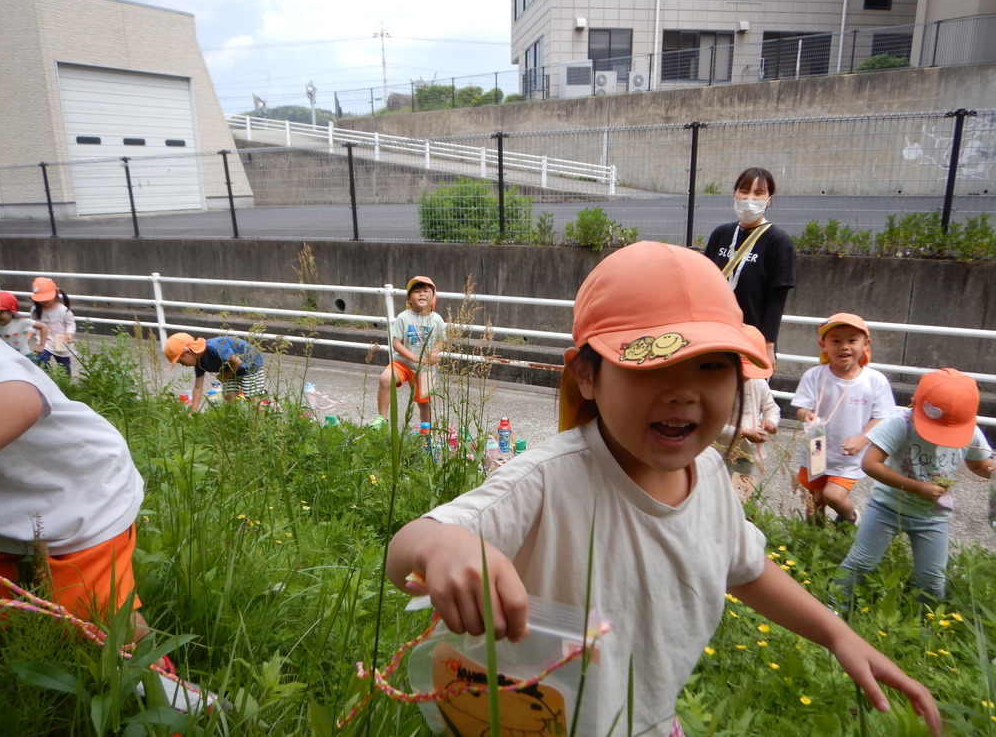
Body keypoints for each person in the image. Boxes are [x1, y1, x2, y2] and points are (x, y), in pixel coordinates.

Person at [385, 243, 941, 737]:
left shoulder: (713, 482)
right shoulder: (549, 480)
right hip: (546, 720)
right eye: (650, 365)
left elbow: (744, 567)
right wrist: (447, 547)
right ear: (586, 375)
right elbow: (406, 546)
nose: (684, 393)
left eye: (713, 366)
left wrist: (837, 634)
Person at [0, 336, 209, 712]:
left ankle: (174, 696)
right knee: (10, 617)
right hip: (9, 511)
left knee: (104, 619)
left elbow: (20, 398)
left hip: (77, 500)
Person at [835, 368, 994, 603]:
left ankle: (927, 627)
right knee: (861, 561)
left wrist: (992, 468)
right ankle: (833, 604)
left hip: (933, 516)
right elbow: (870, 464)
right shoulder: (900, 423)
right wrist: (916, 487)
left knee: (932, 578)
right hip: (887, 507)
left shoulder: (969, 430)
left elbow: (979, 464)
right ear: (914, 403)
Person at [791, 313, 895, 524]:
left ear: (865, 344)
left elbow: (882, 417)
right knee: (814, 501)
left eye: (852, 340)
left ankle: (850, 518)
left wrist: (862, 439)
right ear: (823, 345)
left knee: (833, 496)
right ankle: (813, 541)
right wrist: (806, 414)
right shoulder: (814, 375)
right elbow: (801, 407)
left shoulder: (874, 380)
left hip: (850, 456)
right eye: (836, 340)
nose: (844, 346)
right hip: (817, 449)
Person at [704, 167, 796, 368]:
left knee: (750, 397)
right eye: (744, 191)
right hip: (717, 335)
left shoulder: (778, 241)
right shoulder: (721, 234)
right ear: (735, 194)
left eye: (758, 193)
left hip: (752, 340)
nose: (749, 199)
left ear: (769, 199)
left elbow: (776, 299)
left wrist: (768, 345)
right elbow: (706, 284)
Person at [714, 324, 780, 499]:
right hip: (720, 453)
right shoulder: (717, 388)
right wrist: (742, 432)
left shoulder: (758, 383)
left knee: (742, 500)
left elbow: (771, 407)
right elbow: (711, 425)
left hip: (750, 456)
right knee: (720, 497)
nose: (745, 375)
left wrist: (771, 421)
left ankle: (745, 522)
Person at [371, 276, 446, 430]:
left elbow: (441, 341)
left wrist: (435, 351)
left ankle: (426, 432)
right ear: (409, 298)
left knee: (424, 403)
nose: (422, 294)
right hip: (403, 363)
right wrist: (412, 356)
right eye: (417, 291)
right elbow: (396, 343)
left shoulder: (437, 319)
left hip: (426, 369)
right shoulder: (403, 317)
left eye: (426, 291)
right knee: (386, 378)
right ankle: (382, 418)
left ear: (433, 296)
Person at [164, 332, 266, 412]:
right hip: (232, 369)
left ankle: (263, 423)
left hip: (250, 365)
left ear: (187, 352)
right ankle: (239, 421)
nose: (182, 365)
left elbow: (236, 361)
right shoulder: (199, 362)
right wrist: (193, 411)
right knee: (228, 396)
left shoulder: (214, 347)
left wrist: (224, 376)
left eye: (180, 361)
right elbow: (198, 387)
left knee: (252, 397)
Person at [30, 276, 76, 375]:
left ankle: (65, 382)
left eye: (47, 298)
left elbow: (70, 323)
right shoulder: (36, 310)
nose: (44, 301)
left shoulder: (63, 310)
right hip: (44, 340)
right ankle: (48, 376)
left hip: (61, 339)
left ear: (56, 294)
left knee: (64, 364)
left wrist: (69, 333)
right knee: (40, 359)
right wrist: (30, 333)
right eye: (41, 299)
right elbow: (34, 324)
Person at [0, 291, 47, 358]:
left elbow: (43, 326)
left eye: (1, 312)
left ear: (11, 310)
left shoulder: (22, 322)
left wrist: (41, 345)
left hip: (24, 356)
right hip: (6, 357)